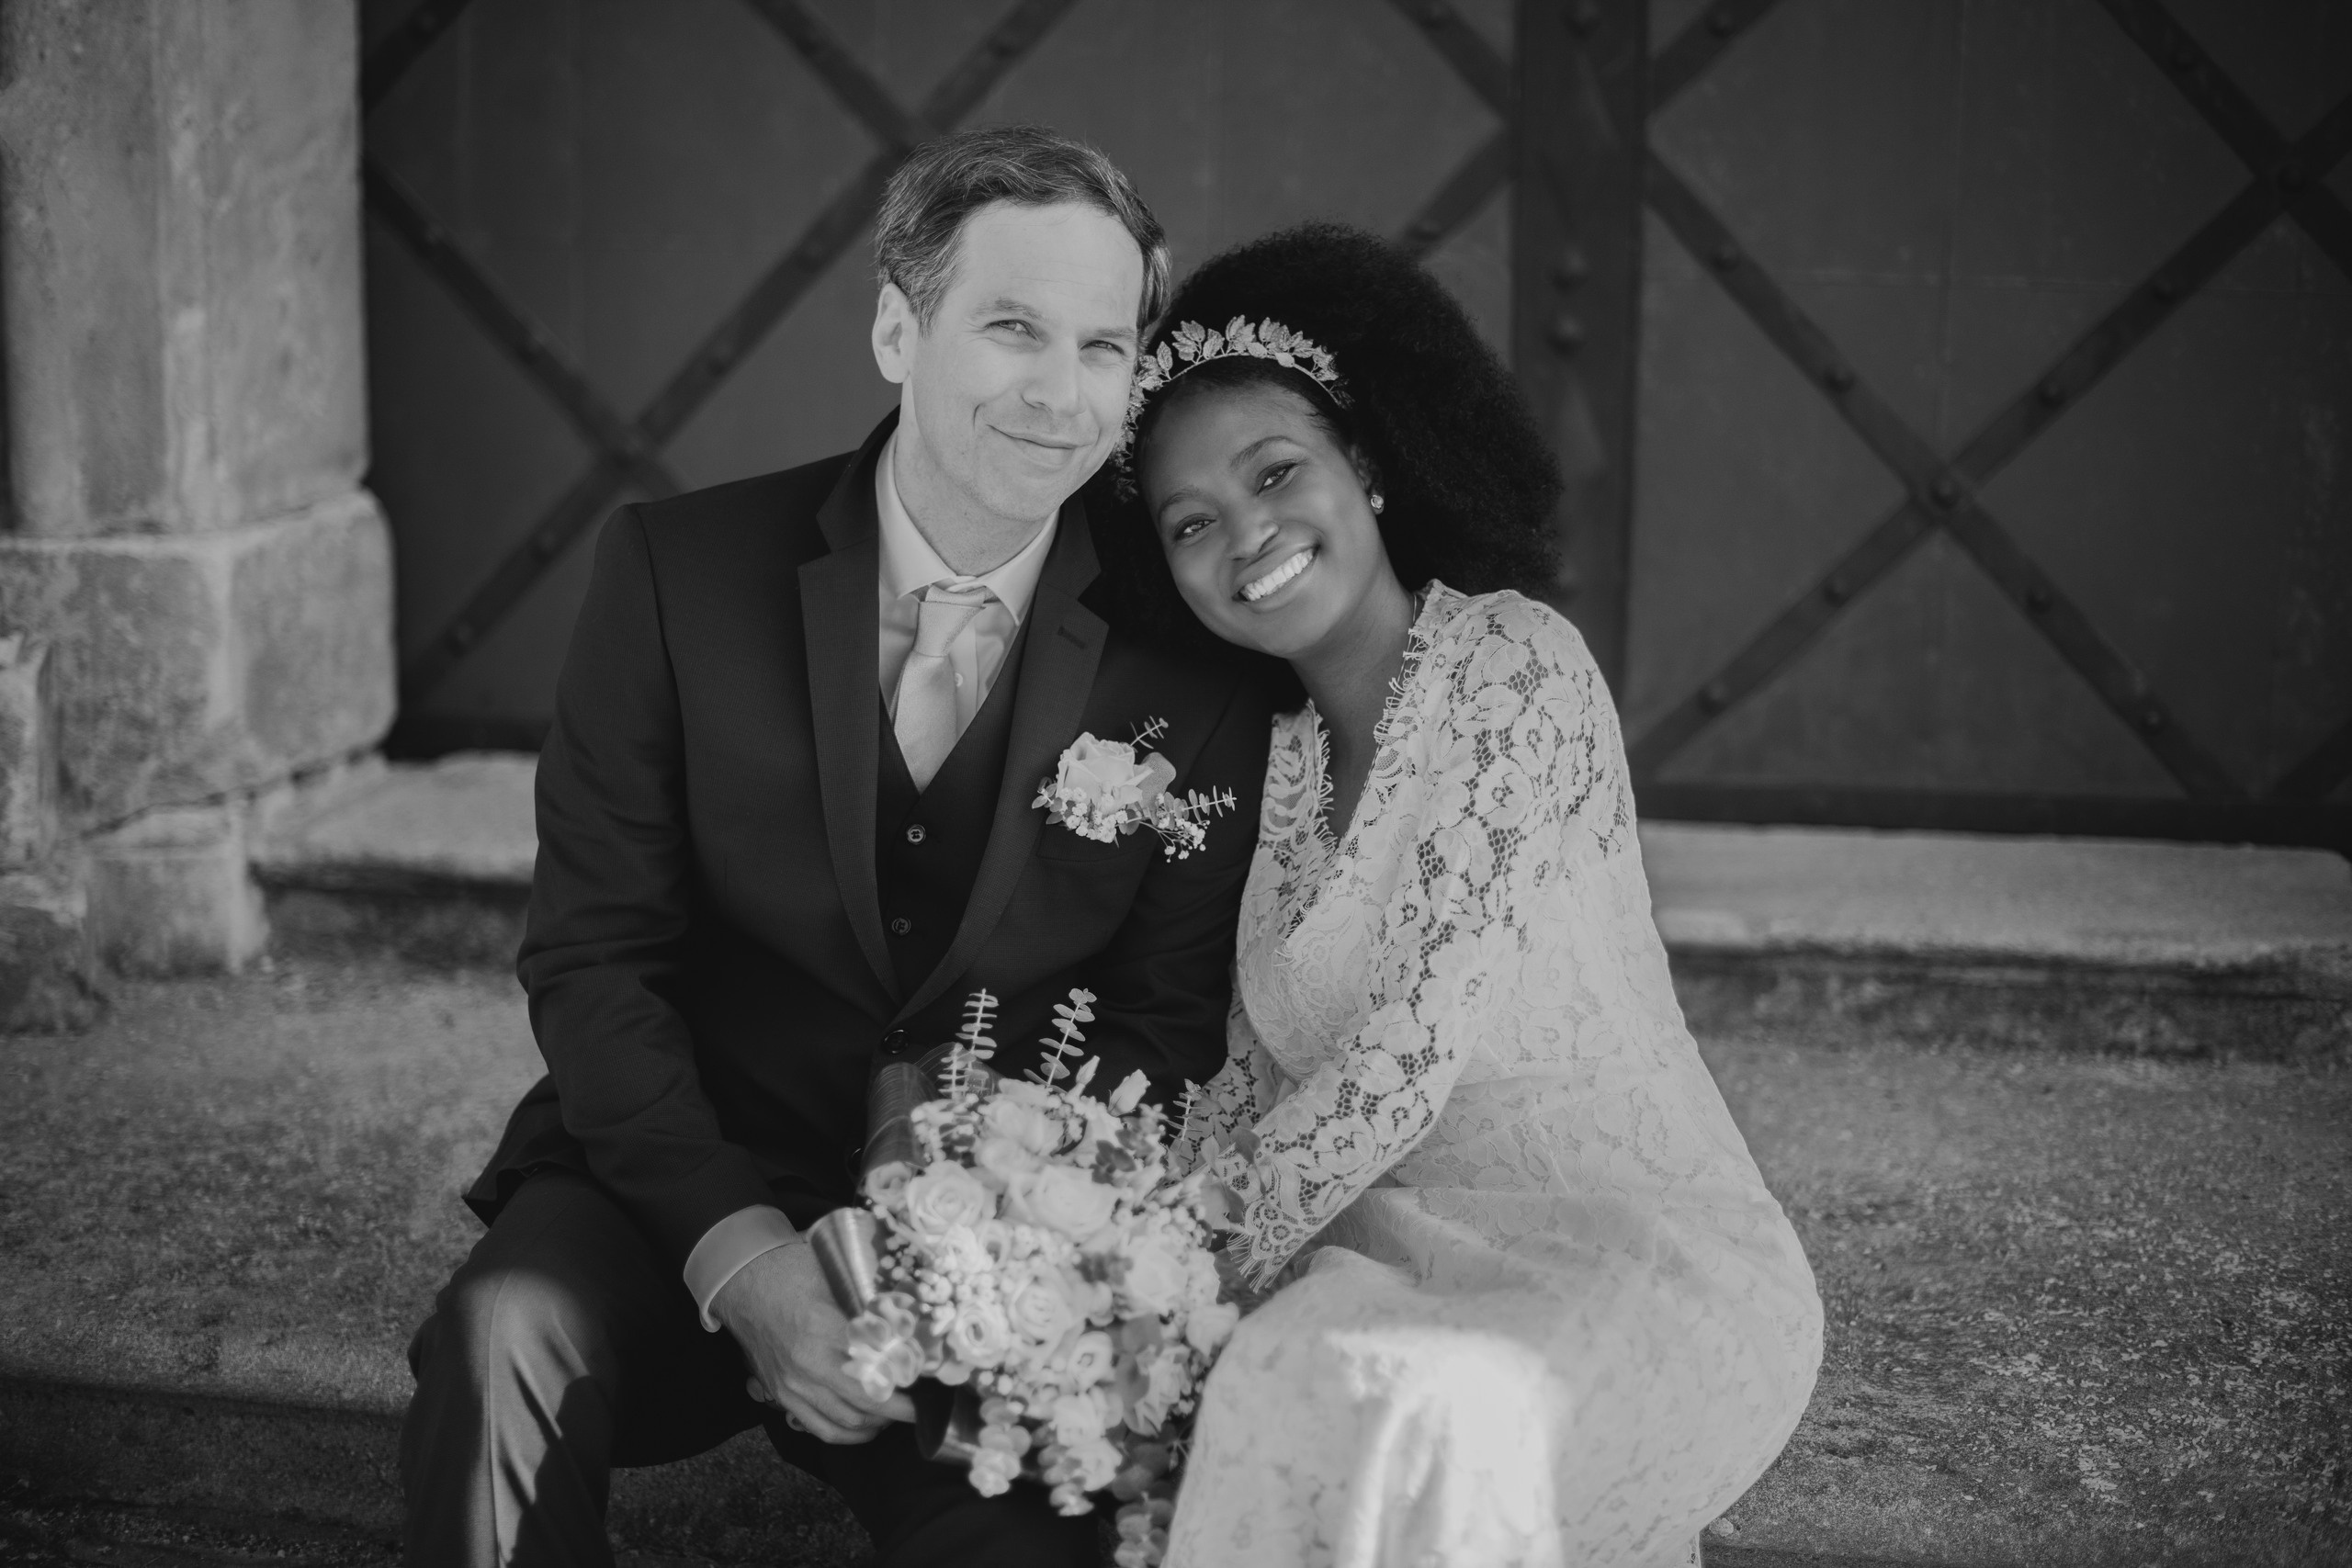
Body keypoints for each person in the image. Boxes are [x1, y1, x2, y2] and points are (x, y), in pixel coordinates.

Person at [398, 127, 1272, 1568]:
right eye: (1011, 329)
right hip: (666, 1192)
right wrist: (742, 1256)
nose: (1063, 395)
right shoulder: (676, 576)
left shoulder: (1195, 664)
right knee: (499, 1337)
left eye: (1107, 348)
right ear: (894, 327)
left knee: (1040, 1542)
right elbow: (592, 961)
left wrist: (984, 1257)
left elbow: (1160, 1026)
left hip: (986, 1262)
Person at [1103, 223, 1824, 1568]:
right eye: (1191, 522)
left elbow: (1406, 1058)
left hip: (1633, 1253)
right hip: (1391, 1252)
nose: (1245, 533)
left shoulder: (1516, 669)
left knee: (1443, 1426)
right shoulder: (1270, 770)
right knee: (1274, 1397)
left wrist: (1171, 1270)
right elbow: (1249, 1081)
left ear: (1367, 469)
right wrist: (1108, 1239)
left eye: (1276, 472)